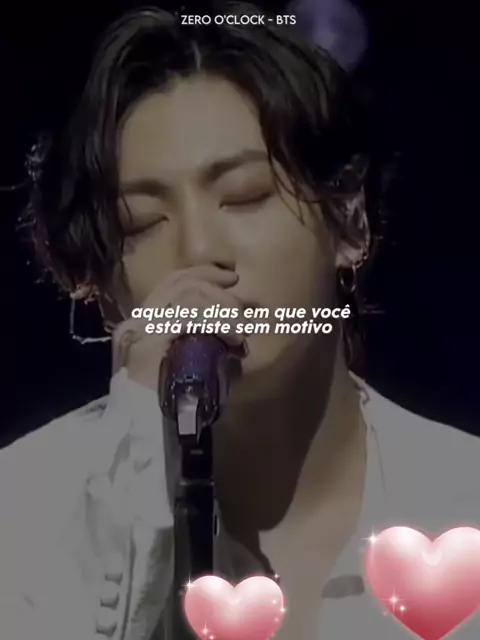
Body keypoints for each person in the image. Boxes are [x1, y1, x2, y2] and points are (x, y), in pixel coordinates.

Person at [2, 3, 480, 639]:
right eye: (142, 223)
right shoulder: (23, 508)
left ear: (349, 220)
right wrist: (136, 454)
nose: (199, 250)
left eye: (246, 195)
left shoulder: (462, 499)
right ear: (106, 290)